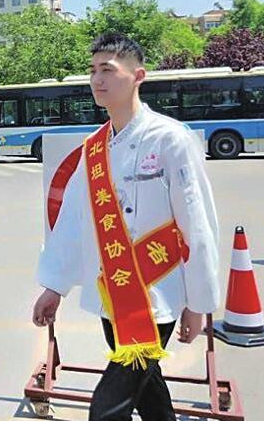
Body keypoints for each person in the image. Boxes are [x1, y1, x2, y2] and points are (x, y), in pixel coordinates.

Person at [32, 33, 220, 421]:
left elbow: (197, 223)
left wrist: (198, 303)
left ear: (138, 76)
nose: (97, 79)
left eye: (108, 70)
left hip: (157, 297)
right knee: (150, 397)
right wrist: (55, 286)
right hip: (112, 293)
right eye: (93, 70)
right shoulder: (94, 147)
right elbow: (72, 220)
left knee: (106, 409)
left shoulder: (170, 139)